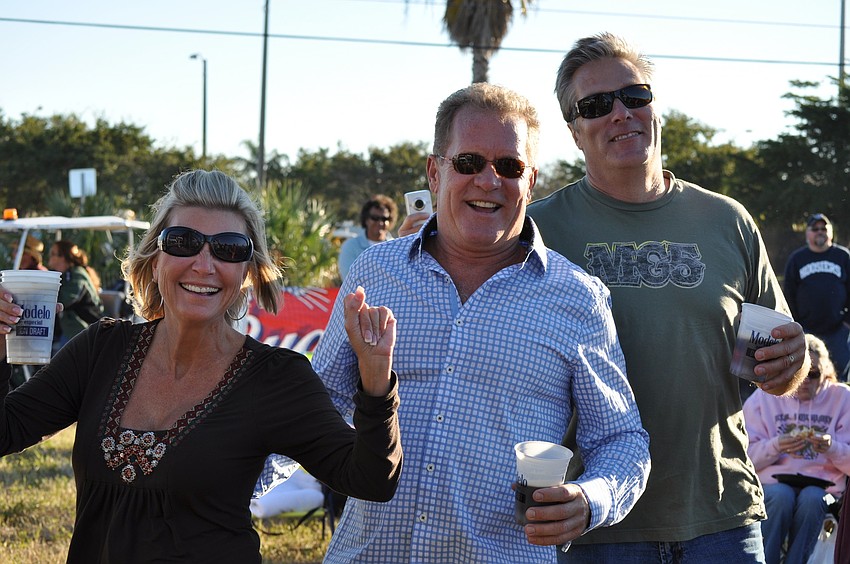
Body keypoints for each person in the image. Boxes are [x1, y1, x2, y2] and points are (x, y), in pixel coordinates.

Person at [314, 83, 650, 563]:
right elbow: (321, 400)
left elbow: (621, 439)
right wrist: (237, 480)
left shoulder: (577, 298)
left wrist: (591, 500)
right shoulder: (375, 273)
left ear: (530, 181)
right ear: (435, 172)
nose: (488, 181)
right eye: (468, 162)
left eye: (509, 167)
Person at [0, 169, 402, 563]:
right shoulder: (101, 349)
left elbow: (369, 479)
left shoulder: (275, 377)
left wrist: (376, 381)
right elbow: (7, 429)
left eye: (228, 248)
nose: (204, 264)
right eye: (183, 242)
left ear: (246, 272)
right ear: (155, 260)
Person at [525, 32, 808, 563]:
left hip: (720, 517)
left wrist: (789, 362)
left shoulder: (727, 221)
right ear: (574, 131)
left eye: (635, 96)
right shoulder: (536, 230)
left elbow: (774, 368)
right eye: (595, 105)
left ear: (655, 107)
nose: (620, 114)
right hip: (593, 522)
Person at [744, 333, 850, 564]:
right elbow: (742, 459)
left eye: (813, 375)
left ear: (826, 371)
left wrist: (831, 448)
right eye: (799, 374)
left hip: (824, 487)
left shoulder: (843, 398)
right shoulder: (765, 395)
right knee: (780, 497)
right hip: (774, 483)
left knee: (813, 499)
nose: (805, 382)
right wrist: (776, 445)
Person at [784, 213, 850, 380]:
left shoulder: (843, 257)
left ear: (831, 232)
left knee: (840, 375)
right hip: (807, 331)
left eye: (824, 228)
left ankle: (841, 406)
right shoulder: (797, 259)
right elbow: (789, 294)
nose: (820, 231)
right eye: (815, 229)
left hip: (838, 331)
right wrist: (796, 323)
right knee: (806, 374)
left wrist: (847, 322)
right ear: (808, 233)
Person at [47, 240, 105, 353]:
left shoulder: (76, 274)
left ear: (63, 257)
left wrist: (45, 302)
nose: (50, 257)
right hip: (69, 328)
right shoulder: (64, 275)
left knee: (59, 361)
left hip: (82, 328)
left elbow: (67, 299)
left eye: (53, 254)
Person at [337, 194, 397, 279]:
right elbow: (349, 279)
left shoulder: (397, 248)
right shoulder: (350, 246)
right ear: (366, 219)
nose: (380, 223)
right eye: (375, 218)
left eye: (384, 219)